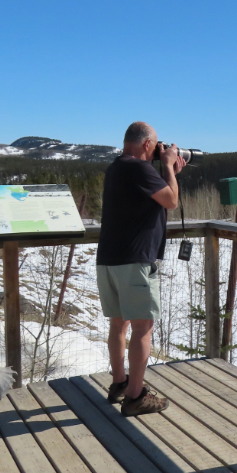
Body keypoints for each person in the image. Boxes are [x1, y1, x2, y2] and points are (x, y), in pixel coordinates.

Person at [96, 121, 185, 415]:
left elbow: (153, 199)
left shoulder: (116, 168)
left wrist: (166, 173)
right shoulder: (139, 168)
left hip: (109, 258)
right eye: (157, 145)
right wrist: (169, 167)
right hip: (134, 260)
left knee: (118, 323)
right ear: (147, 145)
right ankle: (135, 397)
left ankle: (120, 383)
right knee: (143, 327)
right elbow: (171, 201)